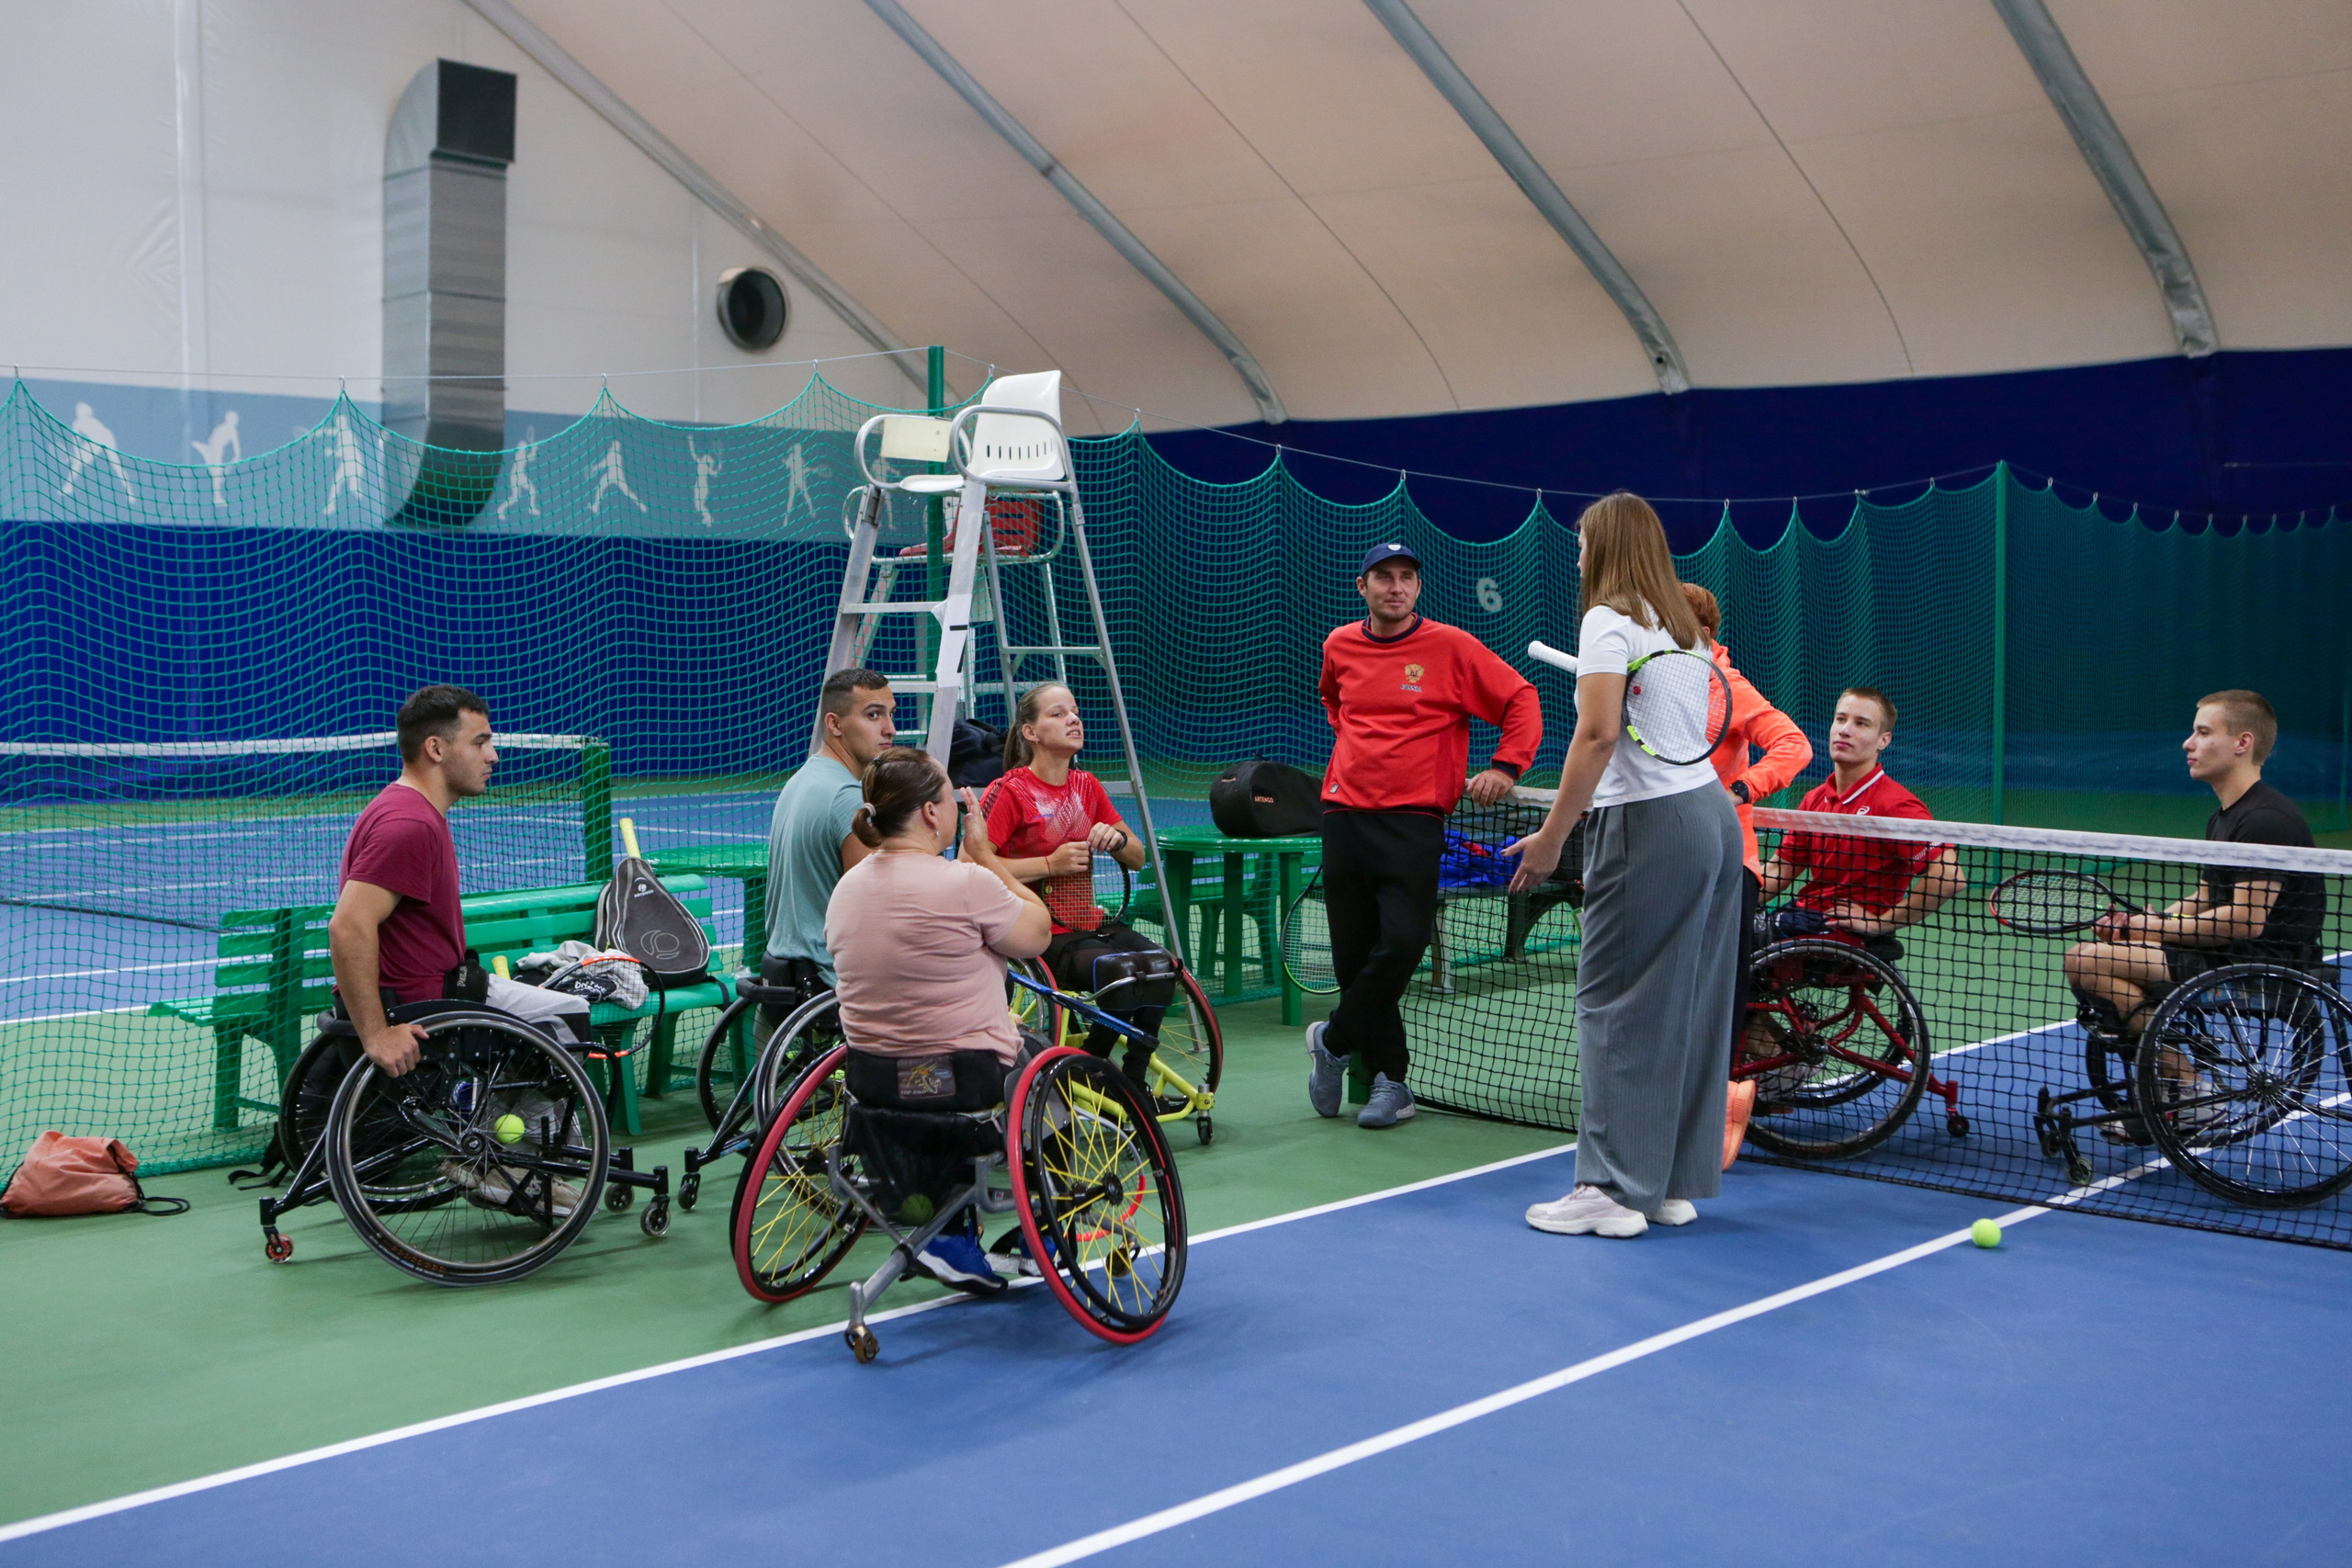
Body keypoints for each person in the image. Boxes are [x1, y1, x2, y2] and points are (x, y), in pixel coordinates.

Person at [1505, 493, 1745, 1238]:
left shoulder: (1606, 622)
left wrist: (1550, 837)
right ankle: (1668, 1181)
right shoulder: (1677, 625)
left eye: (1582, 542)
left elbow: (1598, 734)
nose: (1577, 554)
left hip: (1649, 827)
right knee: (1689, 1004)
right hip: (1711, 821)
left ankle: (1608, 1188)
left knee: (1612, 1002)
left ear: (1604, 545)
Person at [1306, 542, 1543, 1130]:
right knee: (1351, 958)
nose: (1396, 586)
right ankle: (1392, 1082)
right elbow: (1336, 704)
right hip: (1343, 817)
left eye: (1407, 577)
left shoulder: (1451, 648)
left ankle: (1331, 1040)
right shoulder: (1340, 644)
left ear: (1418, 587)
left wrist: (1505, 767)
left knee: (1404, 944)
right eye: (1383, 577)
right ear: (1363, 586)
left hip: (1415, 820)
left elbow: (1521, 699)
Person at [826, 747, 1052, 1288]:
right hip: (961, 1078)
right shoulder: (964, 882)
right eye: (951, 797)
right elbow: (1038, 932)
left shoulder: (847, 887)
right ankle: (1039, 1231)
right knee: (1044, 1060)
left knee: (963, 1048)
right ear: (932, 813)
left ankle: (951, 1235)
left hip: (872, 1080)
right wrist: (986, 855)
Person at [2062, 690, 2324, 1138]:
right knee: (2099, 955)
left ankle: (2188, 1086)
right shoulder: (2226, 816)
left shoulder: (2265, 820)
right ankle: (2171, 1088)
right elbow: (2206, 896)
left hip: (2264, 964)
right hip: (2232, 955)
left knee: (2084, 960)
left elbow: (2245, 920)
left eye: (2203, 733)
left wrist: (2156, 929)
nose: (2188, 743)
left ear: (2242, 743)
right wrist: (2144, 925)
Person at [326, 685, 593, 1077]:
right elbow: (347, 927)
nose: (493, 756)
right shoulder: (409, 824)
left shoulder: (407, 808)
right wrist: (378, 1035)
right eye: (480, 743)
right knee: (569, 1014)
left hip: (441, 988)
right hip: (428, 1004)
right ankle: (531, 1137)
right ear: (436, 749)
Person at [1679, 583, 1813, 1151]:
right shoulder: (1648, 687)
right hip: (1665, 858)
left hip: (1728, 862)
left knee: (1717, 988)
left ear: (1704, 634)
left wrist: (1743, 787)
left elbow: (1793, 744)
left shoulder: (1729, 687)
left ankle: (1718, 1099)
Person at [980, 683, 1160, 1089]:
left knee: (1163, 966)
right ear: (1031, 732)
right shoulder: (1009, 791)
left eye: (1074, 712)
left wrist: (1116, 841)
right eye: (1058, 714)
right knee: (1122, 973)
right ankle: (1094, 1065)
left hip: (1089, 924)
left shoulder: (1087, 786)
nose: (1073, 719)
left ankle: (1130, 1077)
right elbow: (972, 863)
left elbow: (1138, 856)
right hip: (1040, 932)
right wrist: (1049, 864)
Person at [1755, 688, 1964, 941]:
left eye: (1861, 724)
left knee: (1739, 940)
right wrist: (1729, 903)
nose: (1845, 730)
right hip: (1805, 915)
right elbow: (1781, 869)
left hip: (1840, 929)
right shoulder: (1815, 799)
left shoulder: (1895, 805)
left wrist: (1880, 924)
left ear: (1883, 741)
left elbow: (1949, 876)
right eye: (1841, 719)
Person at [759, 668, 896, 1041]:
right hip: (827, 980)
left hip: (782, 970)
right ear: (834, 724)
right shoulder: (847, 799)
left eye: (890, 713)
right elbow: (873, 908)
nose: (889, 729)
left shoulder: (801, 779)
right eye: (873, 715)